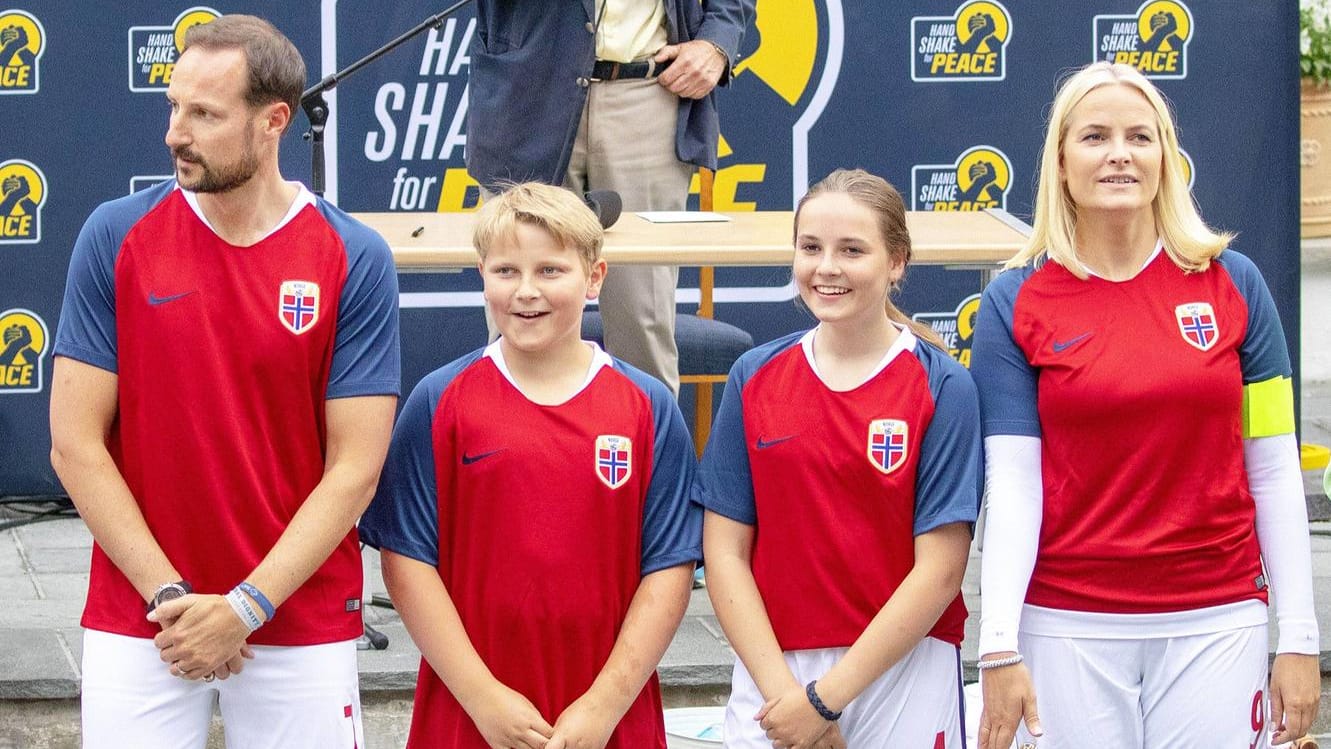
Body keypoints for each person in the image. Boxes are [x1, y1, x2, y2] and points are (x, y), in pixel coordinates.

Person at [48, 15, 399, 748]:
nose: (176, 132)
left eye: (204, 113)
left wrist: (245, 605)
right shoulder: (115, 234)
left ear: (274, 121)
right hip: (145, 613)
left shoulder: (352, 255)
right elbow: (75, 446)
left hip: (296, 613)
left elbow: (356, 468)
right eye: (174, 107)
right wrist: (174, 597)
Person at [971, 61, 1321, 749]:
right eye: (1094, 136)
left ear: (1166, 156)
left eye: (1139, 136)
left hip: (1217, 617)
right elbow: (1011, 486)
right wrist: (997, 643)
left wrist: (1300, 637)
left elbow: (1275, 470)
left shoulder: (1236, 285)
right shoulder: (1013, 301)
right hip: (1065, 619)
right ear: (1061, 161)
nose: (1118, 154)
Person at [358, 182, 700, 749]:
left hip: (607, 714)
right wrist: (483, 698)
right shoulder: (440, 401)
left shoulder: (647, 407)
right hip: (470, 709)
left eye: (550, 271)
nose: (526, 292)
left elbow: (669, 568)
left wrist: (604, 703)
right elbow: (406, 561)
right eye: (506, 271)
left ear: (594, 277)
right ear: (481, 274)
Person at [699, 168, 982, 748]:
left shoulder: (942, 386)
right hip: (772, 675)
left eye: (851, 250)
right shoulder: (754, 377)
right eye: (811, 248)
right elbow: (724, 551)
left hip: (900, 669)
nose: (826, 267)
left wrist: (828, 699)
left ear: (896, 262)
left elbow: (941, 570)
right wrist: (790, 699)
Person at [466, 0, 753, 394]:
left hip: (649, 91)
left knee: (641, 316)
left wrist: (717, 42)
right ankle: (511, 450)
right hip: (528, 93)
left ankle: (648, 451)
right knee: (520, 308)